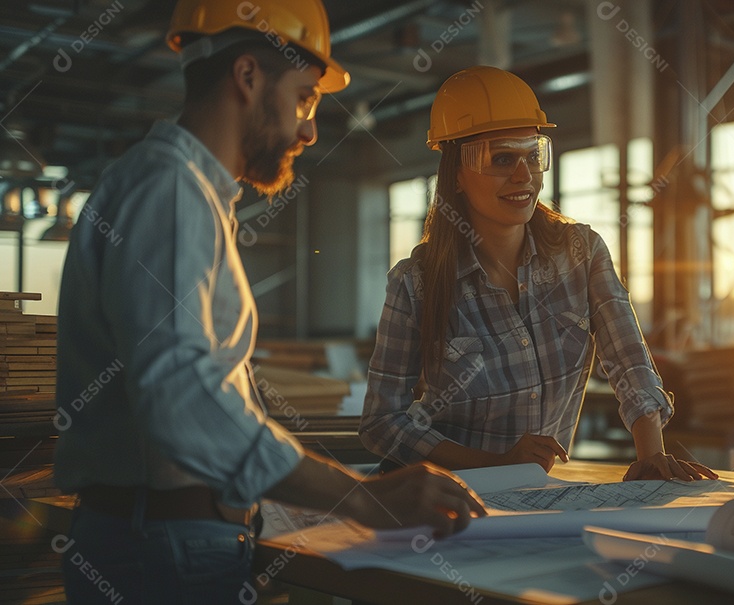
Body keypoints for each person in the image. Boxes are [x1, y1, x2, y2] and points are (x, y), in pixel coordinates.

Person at [54, 1, 484, 602]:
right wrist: (357, 498)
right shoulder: (172, 189)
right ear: (248, 76)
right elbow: (182, 396)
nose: (310, 128)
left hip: (164, 536)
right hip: (164, 545)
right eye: (305, 97)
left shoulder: (183, 191)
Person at [358, 66, 716, 483]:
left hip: (533, 492)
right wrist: (494, 465)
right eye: (502, 158)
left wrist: (652, 455)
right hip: (444, 492)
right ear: (455, 174)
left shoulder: (580, 253)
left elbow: (628, 360)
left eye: (534, 155)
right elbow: (381, 422)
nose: (524, 175)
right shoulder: (416, 282)